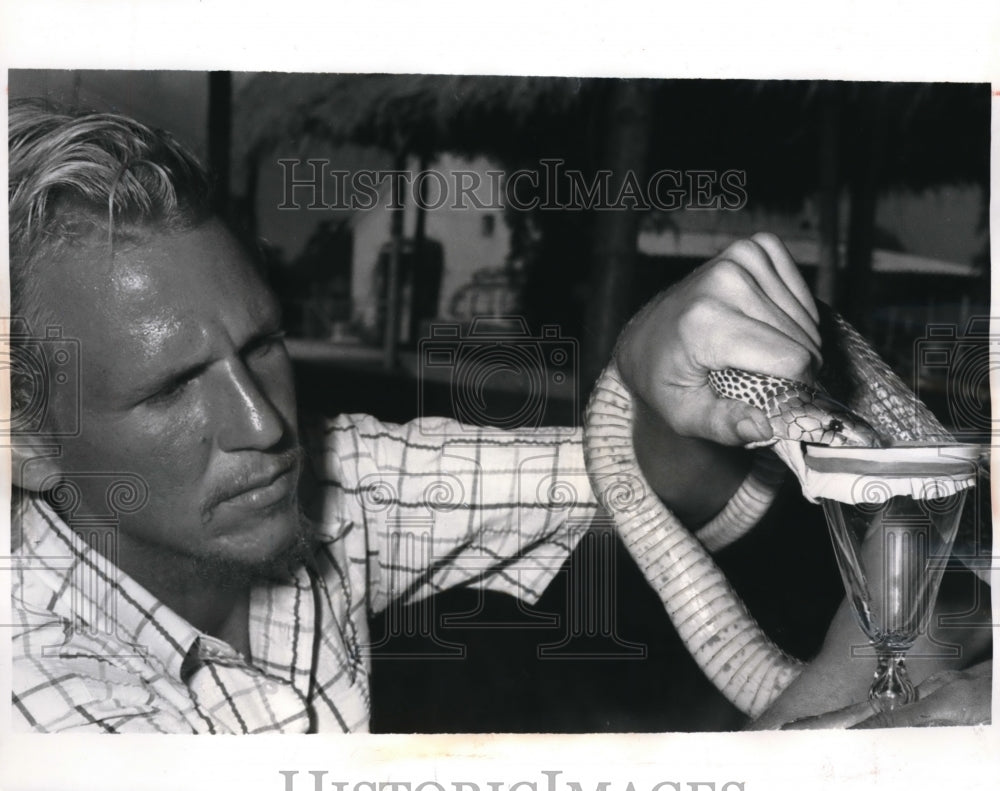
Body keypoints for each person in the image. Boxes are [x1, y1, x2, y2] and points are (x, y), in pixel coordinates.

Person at [7, 100, 989, 733]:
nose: (263, 422)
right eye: (171, 386)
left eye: (263, 344)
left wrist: (655, 365)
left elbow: (650, 483)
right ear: (32, 441)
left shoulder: (334, 485)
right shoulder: (48, 707)